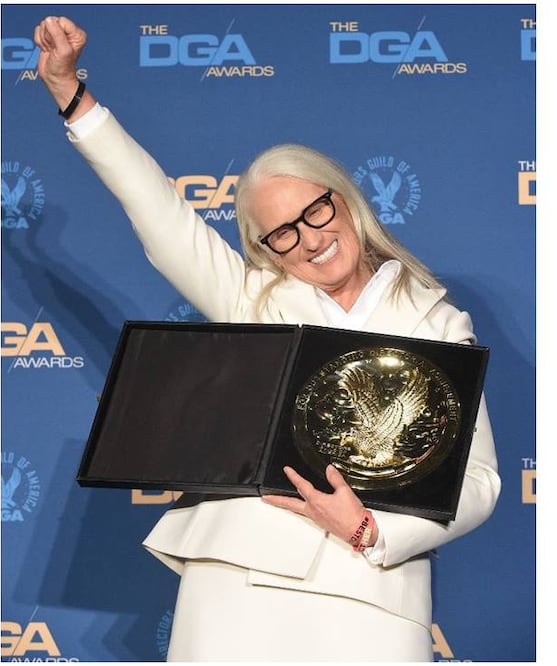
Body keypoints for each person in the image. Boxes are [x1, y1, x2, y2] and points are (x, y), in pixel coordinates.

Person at [32, 15, 501, 662]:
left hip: (371, 584)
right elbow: (157, 212)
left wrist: (368, 529)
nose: (308, 238)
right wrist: (72, 96)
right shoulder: (250, 299)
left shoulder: (440, 323)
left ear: (345, 202)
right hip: (237, 578)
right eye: (282, 233)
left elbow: (478, 482)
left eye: (316, 212)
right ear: (264, 249)